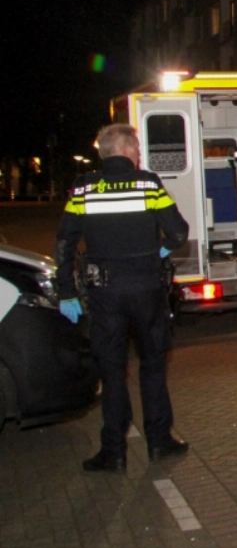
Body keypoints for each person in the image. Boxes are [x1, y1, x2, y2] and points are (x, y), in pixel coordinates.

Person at [55, 124, 191, 472]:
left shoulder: (83, 188)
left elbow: (65, 243)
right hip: (146, 291)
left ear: (102, 153)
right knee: (152, 367)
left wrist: (66, 292)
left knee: (112, 372)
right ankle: (160, 442)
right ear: (130, 151)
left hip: (105, 294)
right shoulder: (147, 183)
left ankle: (113, 452)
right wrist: (157, 251)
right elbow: (178, 231)